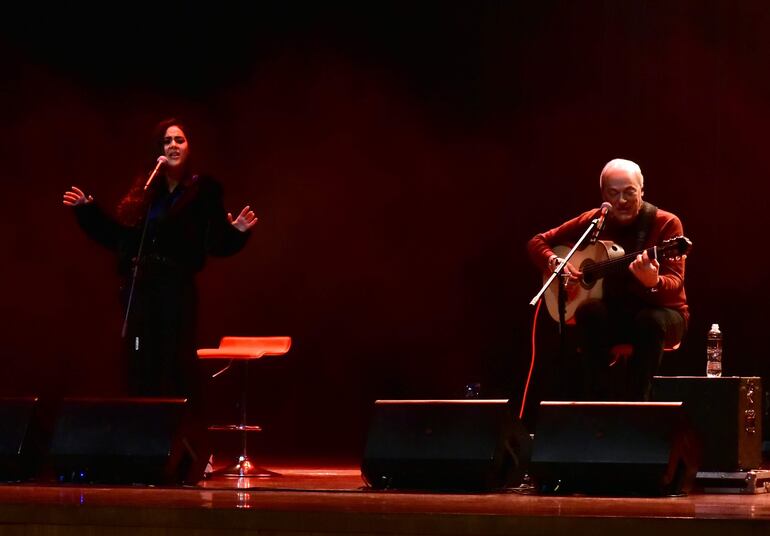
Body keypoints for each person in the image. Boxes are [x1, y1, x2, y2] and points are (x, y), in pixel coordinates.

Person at [62, 118, 258, 404]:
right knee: (140, 362)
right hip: (142, 289)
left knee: (173, 361)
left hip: (176, 289)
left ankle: (177, 435)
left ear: (189, 148)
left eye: (179, 140)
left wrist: (236, 232)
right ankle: (141, 434)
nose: (173, 146)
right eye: (167, 141)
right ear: (159, 149)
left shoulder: (203, 190)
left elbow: (215, 242)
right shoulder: (147, 192)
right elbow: (121, 239)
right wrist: (88, 213)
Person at [527, 158, 688, 401]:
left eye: (629, 192)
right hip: (617, 316)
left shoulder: (665, 223)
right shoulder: (595, 221)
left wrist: (654, 282)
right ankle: (596, 406)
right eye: (613, 193)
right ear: (603, 195)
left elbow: (674, 283)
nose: (621, 201)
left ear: (642, 190)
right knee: (590, 313)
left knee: (649, 320)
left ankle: (638, 407)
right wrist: (555, 262)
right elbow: (537, 242)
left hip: (664, 315)